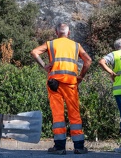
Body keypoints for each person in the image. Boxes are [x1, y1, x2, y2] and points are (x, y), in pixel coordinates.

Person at [30, 22, 92, 155]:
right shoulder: (76, 45)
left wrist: (44, 66)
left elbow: (34, 52)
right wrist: (80, 77)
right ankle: (79, 147)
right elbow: (88, 61)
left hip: (54, 83)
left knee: (57, 114)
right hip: (71, 83)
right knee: (74, 113)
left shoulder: (51, 43)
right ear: (69, 33)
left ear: (56, 33)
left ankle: (59, 148)